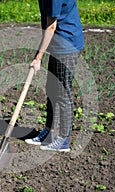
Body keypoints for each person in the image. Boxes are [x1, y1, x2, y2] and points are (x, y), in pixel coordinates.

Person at [25, 0, 84, 152]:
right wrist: (39, 54)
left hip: (67, 45)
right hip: (57, 42)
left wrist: (38, 58)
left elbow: (51, 26)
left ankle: (64, 139)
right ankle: (48, 133)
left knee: (62, 92)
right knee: (51, 89)